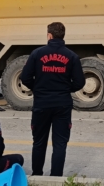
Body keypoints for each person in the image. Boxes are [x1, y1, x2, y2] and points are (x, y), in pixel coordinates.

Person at [20, 22, 85, 177]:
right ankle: (56, 178)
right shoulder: (72, 56)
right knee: (60, 144)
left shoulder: (37, 53)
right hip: (62, 104)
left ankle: (37, 175)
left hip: (41, 104)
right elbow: (80, 82)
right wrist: (64, 89)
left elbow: (25, 77)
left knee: (39, 142)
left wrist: (38, 88)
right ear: (63, 35)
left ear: (49, 35)